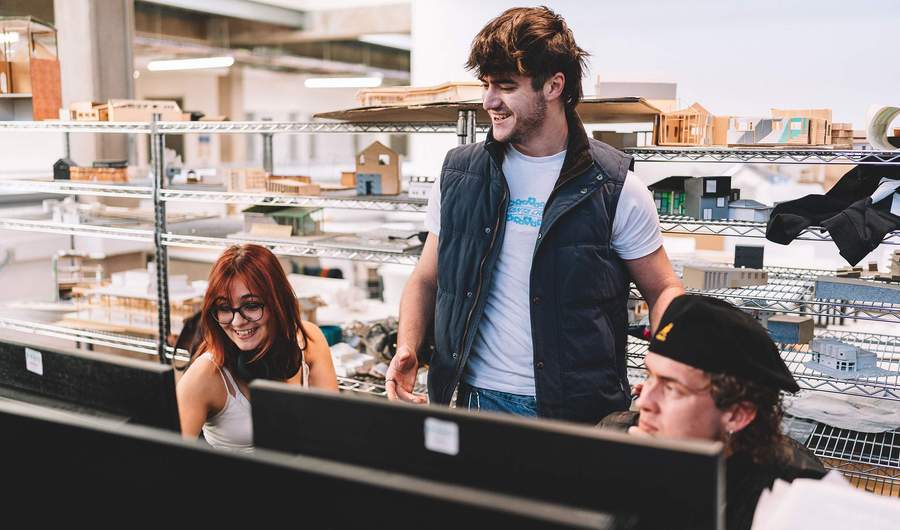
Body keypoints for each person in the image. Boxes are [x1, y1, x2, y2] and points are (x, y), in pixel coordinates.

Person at [386, 6, 683, 423]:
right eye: (487, 85)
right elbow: (426, 278)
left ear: (553, 86)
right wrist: (408, 347)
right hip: (473, 402)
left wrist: (666, 366)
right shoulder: (460, 175)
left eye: (506, 86)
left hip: (576, 411)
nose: (490, 101)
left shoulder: (615, 187)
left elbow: (664, 288)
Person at [598, 294, 826, 530]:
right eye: (649, 376)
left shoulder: (792, 496)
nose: (644, 400)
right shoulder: (613, 436)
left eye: (673, 388)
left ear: (737, 414)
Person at [176, 244, 338, 452]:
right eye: (224, 308)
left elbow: (332, 432)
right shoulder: (205, 376)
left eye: (251, 305)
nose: (237, 322)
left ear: (278, 302)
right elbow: (166, 463)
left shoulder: (310, 340)